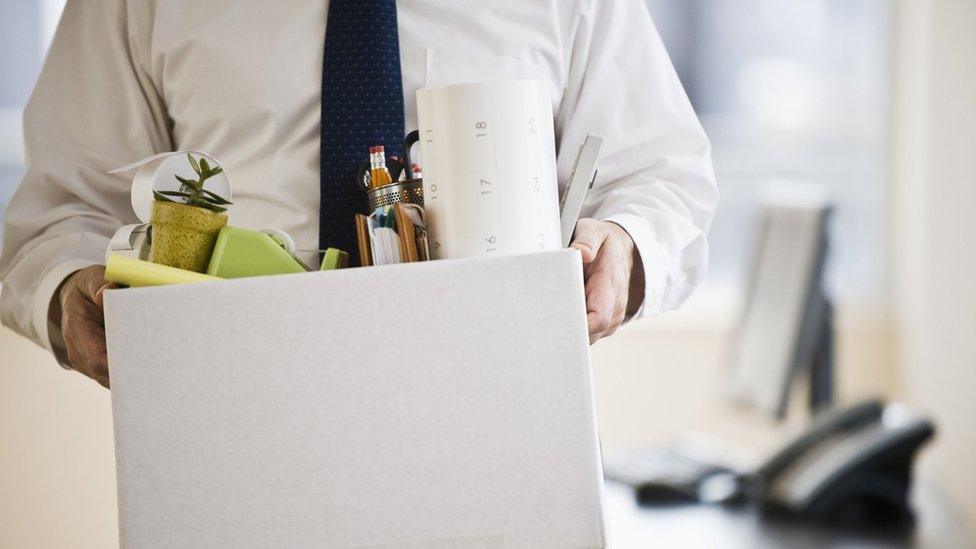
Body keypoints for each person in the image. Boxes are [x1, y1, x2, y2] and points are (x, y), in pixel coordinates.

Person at [0, 0, 717, 389]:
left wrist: (624, 243)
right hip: (226, 417)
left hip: (501, 410)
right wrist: (70, 289)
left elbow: (659, 176)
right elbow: (63, 207)